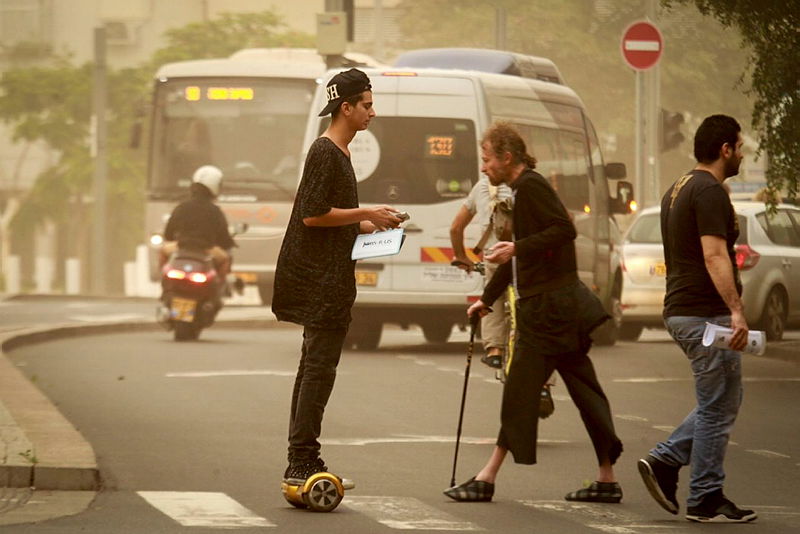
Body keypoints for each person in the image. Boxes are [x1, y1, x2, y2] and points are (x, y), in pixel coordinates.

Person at [444, 122, 623, 503]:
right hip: (557, 309)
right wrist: (487, 298)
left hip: (548, 313)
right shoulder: (522, 190)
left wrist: (517, 247)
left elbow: (564, 231)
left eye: (487, 159)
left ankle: (487, 478)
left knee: (520, 394)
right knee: (584, 393)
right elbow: (517, 256)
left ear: (508, 158)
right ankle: (606, 478)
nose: (484, 167)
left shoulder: (531, 188)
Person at [272, 68, 402, 483]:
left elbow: (329, 219)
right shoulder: (326, 152)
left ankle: (302, 457)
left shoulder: (339, 152)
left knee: (313, 368)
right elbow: (312, 215)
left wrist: (371, 224)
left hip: (330, 278)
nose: (372, 113)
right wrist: (366, 211)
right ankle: (302, 460)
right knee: (318, 370)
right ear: (346, 108)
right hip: (320, 283)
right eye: (367, 105)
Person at [637, 114, 757, 523]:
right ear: (725, 149)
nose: (741, 155)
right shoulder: (708, 191)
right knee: (716, 406)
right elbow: (713, 255)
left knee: (724, 399)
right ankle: (704, 494)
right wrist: (736, 311)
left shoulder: (679, 187)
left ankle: (668, 461)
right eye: (739, 147)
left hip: (685, 310)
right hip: (704, 313)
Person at [450, 176, 513, 369]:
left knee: (493, 297)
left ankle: (495, 350)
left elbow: (455, 228)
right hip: (521, 253)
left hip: (494, 256)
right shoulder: (526, 185)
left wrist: (462, 256)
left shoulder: (481, 187)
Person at [161, 165, 235, 279]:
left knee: (162, 251)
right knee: (225, 259)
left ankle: (164, 279)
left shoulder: (181, 207)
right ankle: (219, 285)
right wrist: (229, 243)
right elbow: (224, 238)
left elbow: (168, 233)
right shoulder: (215, 211)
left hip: (182, 246)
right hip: (207, 249)